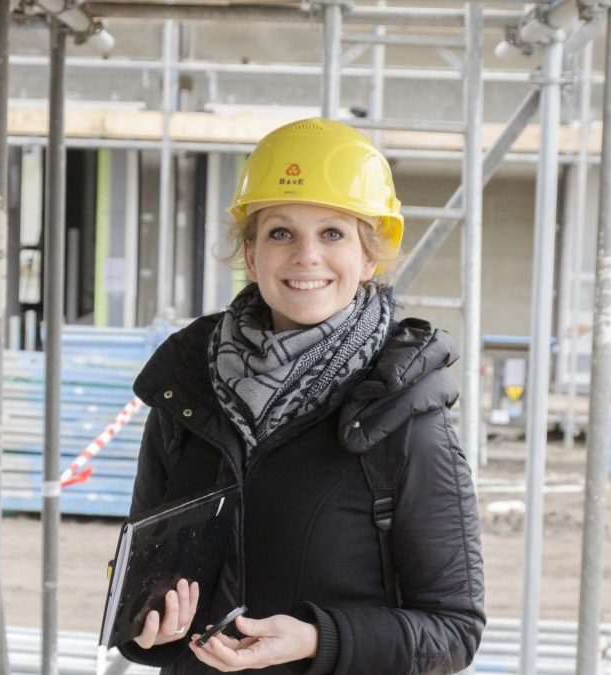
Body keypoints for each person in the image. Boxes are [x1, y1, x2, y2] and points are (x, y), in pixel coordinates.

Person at [117, 118, 485, 674]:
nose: (306, 255)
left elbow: (453, 632)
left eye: (333, 233)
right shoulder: (187, 393)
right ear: (251, 253)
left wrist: (318, 640)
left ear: (369, 257)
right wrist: (150, 629)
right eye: (281, 233)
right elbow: (139, 604)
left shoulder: (404, 415)